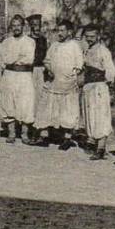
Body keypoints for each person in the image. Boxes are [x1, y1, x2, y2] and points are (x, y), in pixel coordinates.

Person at [37, 19, 84, 150]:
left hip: (67, 84)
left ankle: (67, 139)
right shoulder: (54, 45)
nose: (60, 33)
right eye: (58, 30)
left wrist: (72, 76)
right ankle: (44, 136)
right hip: (53, 83)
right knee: (47, 109)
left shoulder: (75, 46)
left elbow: (79, 66)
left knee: (67, 111)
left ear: (69, 32)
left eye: (63, 30)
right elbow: (47, 60)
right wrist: (49, 69)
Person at [0, 15, 42, 145]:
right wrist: (16, 57)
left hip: (24, 75)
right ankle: (11, 133)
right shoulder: (6, 42)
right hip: (9, 74)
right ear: (11, 27)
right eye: (14, 26)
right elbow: (5, 59)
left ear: (23, 26)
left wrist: (14, 58)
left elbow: (28, 59)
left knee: (25, 103)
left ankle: (24, 134)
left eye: (18, 25)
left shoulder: (30, 42)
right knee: (8, 102)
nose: (16, 28)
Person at [80, 25, 115, 160]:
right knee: (90, 115)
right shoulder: (87, 50)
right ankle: (93, 143)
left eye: (92, 36)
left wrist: (107, 84)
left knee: (100, 116)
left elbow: (111, 71)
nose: (89, 39)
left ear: (98, 36)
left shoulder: (103, 51)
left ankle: (101, 147)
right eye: (87, 37)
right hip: (89, 86)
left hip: (99, 87)